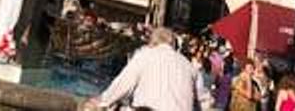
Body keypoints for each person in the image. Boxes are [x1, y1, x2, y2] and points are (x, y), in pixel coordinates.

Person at [82, 26, 210, 111]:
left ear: (152, 43)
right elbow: (203, 102)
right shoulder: (189, 66)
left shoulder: (145, 55)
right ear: (173, 45)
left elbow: (123, 85)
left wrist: (102, 101)